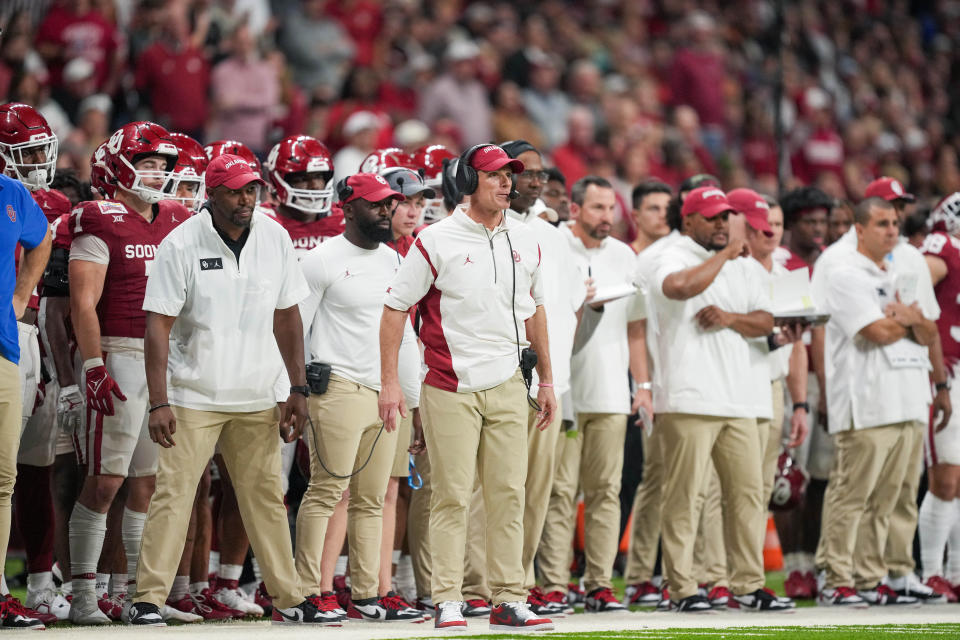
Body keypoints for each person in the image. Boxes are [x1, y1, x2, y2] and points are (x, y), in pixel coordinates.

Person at [125, 153, 336, 626]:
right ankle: (147, 598)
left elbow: (287, 314)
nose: (246, 200)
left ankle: (288, 597)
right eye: (236, 191)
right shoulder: (180, 243)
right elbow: (157, 326)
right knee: (174, 495)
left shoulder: (275, 236)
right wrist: (158, 400)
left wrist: (296, 388)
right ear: (212, 195)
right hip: (192, 394)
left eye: (252, 190)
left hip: (257, 393)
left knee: (265, 498)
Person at [379, 143, 555, 632]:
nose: (506, 183)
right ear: (468, 179)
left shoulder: (525, 239)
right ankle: (449, 599)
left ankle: (508, 597)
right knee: (452, 495)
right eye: (495, 175)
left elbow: (535, 310)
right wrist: (390, 382)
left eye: (509, 176)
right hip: (448, 383)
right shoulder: (436, 239)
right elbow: (395, 308)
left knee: (508, 494)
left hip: (508, 383)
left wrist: (548, 379)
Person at [66, 121, 189, 625]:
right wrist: (93, 364)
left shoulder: (178, 217)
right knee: (105, 481)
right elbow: (82, 302)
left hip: (165, 357)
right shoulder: (98, 216)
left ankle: (135, 594)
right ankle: (82, 597)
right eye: (148, 164)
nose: (157, 174)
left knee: (148, 483)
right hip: (117, 350)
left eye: (163, 166)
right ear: (119, 165)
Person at [650, 187, 791, 612]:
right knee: (685, 495)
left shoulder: (745, 265)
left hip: (744, 397)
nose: (719, 224)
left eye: (725, 216)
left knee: (748, 494)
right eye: (711, 217)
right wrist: (725, 256)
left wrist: (729, 318)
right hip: (690, 395)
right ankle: (682, 587)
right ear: (688, 220)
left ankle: (748, 584)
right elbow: (678, 288)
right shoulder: (671, 254)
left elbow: (768, 319)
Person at [295, 172, 423, 623]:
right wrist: (294, 393)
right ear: (347, 209)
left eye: (389, 205)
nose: (387, 212)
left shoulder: (394, 261)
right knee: (328, 491)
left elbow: (405, 334)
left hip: (385, 391)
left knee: (372, 498)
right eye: (376, 205)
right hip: (338, 386)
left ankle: (368, 594)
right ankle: (312, 592)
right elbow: (296, 331)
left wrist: (412, 395)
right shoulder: (321, 260)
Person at [815, 197, 938, 607]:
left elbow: (927, 332)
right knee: (853, 494)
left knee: (892, 497)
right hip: (865, 399)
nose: (892, 231)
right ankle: (836, 578)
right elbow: (875, 331)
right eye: (883, 223)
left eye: (896, 223)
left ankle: (872, 577)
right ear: (859, 228)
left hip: (906, 395)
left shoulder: (899, 269)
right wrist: (908, 319)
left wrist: (907, 318)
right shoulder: (843, 270)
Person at [538, 176, 648, 614]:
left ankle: (599, 584)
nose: (607, 216)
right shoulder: (555, 245)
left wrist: (642, 386)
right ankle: (552, 584)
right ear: (576, 207)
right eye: (598, 208)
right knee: (560, 491)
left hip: (608, 392)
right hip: (564, 389)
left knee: (605, 491)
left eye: (611, 209)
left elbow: (636, 327)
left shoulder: (624, 256)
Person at [501, 140, 582, 616]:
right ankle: (477, 584)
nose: (535, 180)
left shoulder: (555, 237)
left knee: (536, 492)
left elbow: (567, 309)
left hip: (551, 382)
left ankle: (521, 582)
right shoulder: (487, 229)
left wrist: (556, 377)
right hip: (503, 379)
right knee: (493, 490)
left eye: (539, 173)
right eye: (524, 173)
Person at [0, 101, 73, 624]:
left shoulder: (21, 197)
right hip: (16, 341)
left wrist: (22, 296)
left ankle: (22, 585)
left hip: (17, 339)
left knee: (17, 472)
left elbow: (44, 243)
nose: (36, 162)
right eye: (26, 152)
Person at [0, 160, 51, 631]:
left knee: (2, 478)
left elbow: (42, 241)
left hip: (2, 347)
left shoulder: (12, 194)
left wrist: (19, 297)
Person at [915, 192, 960, 601]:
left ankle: (956, 572)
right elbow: (914, 288)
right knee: (945, 478)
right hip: (947, 371)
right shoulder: (943, 247)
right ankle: (931, 571)